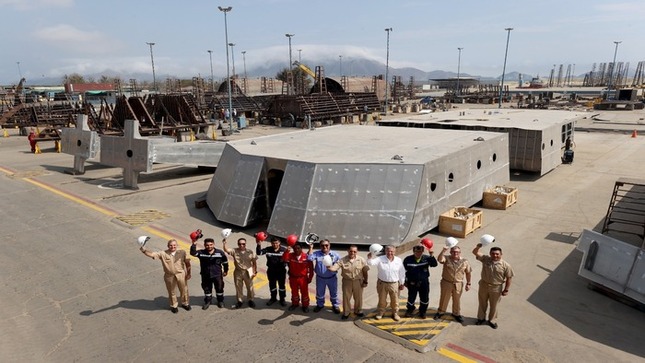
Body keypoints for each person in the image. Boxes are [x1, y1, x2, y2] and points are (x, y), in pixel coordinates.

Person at [140, 239, 192, 313]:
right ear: (168, 246)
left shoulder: (182, 252)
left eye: (174, 245)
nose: (172, 246)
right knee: (171, 291)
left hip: (181, 274)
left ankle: (185, 303)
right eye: (171, 245)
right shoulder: (163, 253)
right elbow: (152, 254)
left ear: (177, 246)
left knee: (184, 290)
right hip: (169, 276)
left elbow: (187, 263)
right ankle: (174, 305)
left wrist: (189, 273)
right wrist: (144, 250)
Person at [472, 244, 514, 329]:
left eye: (497, 254)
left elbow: (509, 278)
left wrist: (506, 290)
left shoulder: (506, 265)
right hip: (483, 285)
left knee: (494, 305)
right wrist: (478, 246)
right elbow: (475, 252)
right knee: (482, 303)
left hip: (496, 288)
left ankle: (492, 320)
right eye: (493, 253)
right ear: (490, 254)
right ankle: (481, 318)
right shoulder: (486, 259)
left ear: (501, 254)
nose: (495, 255)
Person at [327, 244, 369, 320]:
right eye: (351, 251)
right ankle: (346, 312)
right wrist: (330, 267)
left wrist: (365, 281)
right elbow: (335, 267)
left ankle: (358, 310)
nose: (352, 253)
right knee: (346, 298)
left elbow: (365, 271)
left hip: (358, 281)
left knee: (358, 297)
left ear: (357, 252)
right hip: (347, 282)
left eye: (354, 251)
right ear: (347, 251)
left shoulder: (361, 260)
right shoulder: (342, 260)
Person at [367, 245, 406, 321]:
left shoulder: (398, 260)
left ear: (394, 252)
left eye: (392, 251)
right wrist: (370, 257)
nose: (390, 253)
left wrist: (402, 283)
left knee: (395, 300)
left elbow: (402, 272)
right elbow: (371, 263)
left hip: (394, 283)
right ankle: (381, 312)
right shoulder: (380, 259)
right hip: (382, 283)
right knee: (382, 299)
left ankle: (395, 313)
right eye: (388, 251)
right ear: (385, 251)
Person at [435, 246, 472, 323]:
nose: (456, 253)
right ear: (450, 252)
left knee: (457, 299)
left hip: (458, 283)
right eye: (454, 252)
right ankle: (441, 312)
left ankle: (456, 314)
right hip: (446, 282)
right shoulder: (446, 258)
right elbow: (439, 259)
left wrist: (468, 283)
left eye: (457, 252)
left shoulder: (465, 261)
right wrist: (443, 251)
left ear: (460, 253)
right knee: (444, 298)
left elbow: (468, 273)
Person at [190, 237, 229, 309]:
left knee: (219, 288)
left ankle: (220, 301)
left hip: (217, 274)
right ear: (204, 245)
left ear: (214, 244)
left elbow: (225, 262)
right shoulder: (201, 253)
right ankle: (208, 301)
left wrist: (226, 271)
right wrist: (194, 244)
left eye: (211, 245)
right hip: (205, 275)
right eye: (207, 245)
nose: (209, 246)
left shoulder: (220, 253)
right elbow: (193, 253)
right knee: (207, 289)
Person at [402, 245, 438, 319]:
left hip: (424, 282)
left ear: (422, 251)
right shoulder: (407, 259)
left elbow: (434, 264)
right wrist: (405, 281)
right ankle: (410, 309)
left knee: (424, 298)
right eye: (417, 252)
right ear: (413, 252)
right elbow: (403, 271)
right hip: (412, 283)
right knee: (411, 298)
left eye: (420, 252)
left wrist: (431, 255)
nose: (418, 253)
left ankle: (423, 311)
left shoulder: (427, 258)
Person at [307, 239, 341, 313]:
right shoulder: (317, 254)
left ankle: (335, 305)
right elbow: (309, 258)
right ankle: (320, 305)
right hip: (320, 278)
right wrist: (311, 248)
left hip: (332, 278)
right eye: (322, 245)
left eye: (326, 245)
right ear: (320, 246)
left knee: (334, 293)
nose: (324, 247)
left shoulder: (335, 255)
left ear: (329, 245)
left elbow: (340, 264)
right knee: (320, 293)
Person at [223, 237, 258, 308]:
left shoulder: (250, 252)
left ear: (245, 244)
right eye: (240, 244)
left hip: (248, 271)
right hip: (238, 271)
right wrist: (224, 244)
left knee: (250, 287)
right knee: (238, 286)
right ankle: (240, 300)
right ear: (237, 244)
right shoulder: (234, 251)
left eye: (243, 244)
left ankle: (250, 300)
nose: (241, 245)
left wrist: (254, 272)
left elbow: (254, 263)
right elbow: (226, 250)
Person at [282, 243, 314, 312]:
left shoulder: (306, 257)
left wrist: (310, 278)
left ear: (301, 248)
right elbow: (284, 259)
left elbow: (311, 269)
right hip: (293, 278)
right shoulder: (290, 255)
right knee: (294, 292)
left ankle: (305, 305)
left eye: (298, 248)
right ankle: (295, 304)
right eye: (295, 248)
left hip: (303, 278)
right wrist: (287, 251)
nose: (296, 250)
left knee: (304, 293)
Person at [256, 236, 287, 306]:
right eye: (273, 243)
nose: (275, 245)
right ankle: (273, 298)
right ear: (271, 243)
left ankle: (282, 299)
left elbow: (288, 260)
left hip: (281, 271)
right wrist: (258, 244)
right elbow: (259, 253)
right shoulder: (268, 249)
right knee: (272, 285)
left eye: (276, 243)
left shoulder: (284, 250)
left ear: (279, 243)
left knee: (282, 286)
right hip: (271, 271)